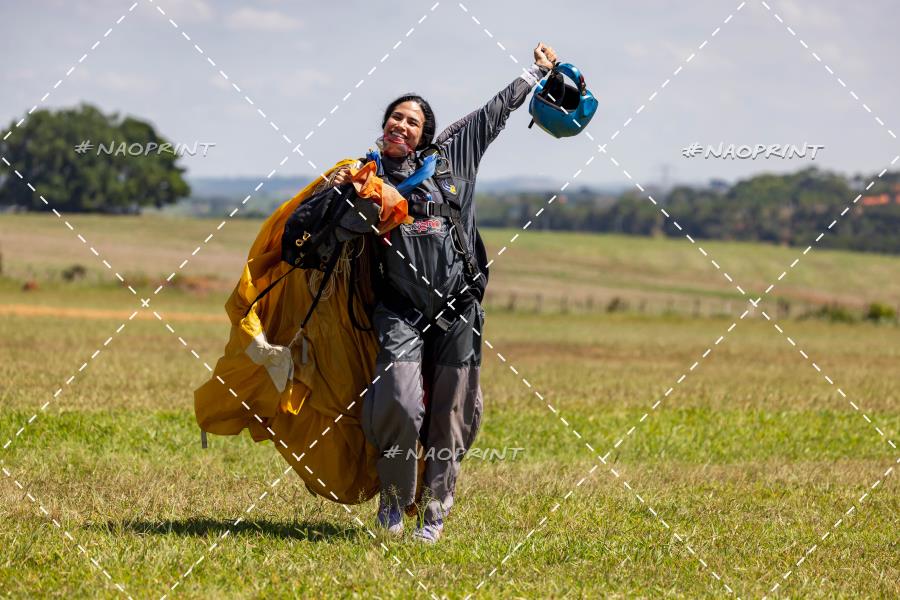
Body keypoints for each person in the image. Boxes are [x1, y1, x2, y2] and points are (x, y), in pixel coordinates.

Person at [338, 42, 559, 543]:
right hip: (400, 310)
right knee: (397, 401)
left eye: (412, 121)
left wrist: (536, 72)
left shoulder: (452, 158)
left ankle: (434, 514)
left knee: (450, 413)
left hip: (458, 309)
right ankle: (394, 503)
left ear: (426, 134)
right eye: (395, 117)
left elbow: (494, 112)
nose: (401, 125)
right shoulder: (364, 177)